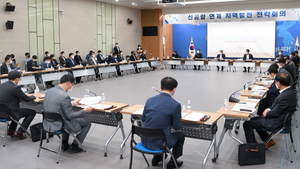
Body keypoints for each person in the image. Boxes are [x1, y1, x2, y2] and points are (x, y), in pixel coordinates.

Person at [243, 72, 297, 149]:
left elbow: (274, 113)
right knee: (254, 119)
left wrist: (266, 113)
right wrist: (268, 109)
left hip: (277, 122)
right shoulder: (288, 92)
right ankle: (268, 141)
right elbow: (277, 106)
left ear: (278, 82)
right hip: (280, 119)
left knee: (247, 124)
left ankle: (253, 148)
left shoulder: (285, 96)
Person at [43, 74, 93, 153]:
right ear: (68, 83)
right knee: (87, 122)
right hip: (61, 124)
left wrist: (72, 103)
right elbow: (70, 116)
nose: (70, 88)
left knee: (64, 117)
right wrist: (84, 111)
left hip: (48, 122)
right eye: (71, 85)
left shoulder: (49, 91)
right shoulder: (64, 96)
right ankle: (75, 146)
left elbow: (58, 104)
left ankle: (64, 143)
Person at [142, 77, 185, 168]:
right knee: (180, 135)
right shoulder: (175, 104)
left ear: (160, 87)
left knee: (157, 130)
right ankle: (173, 162)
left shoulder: (150, 100)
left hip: (145, 140)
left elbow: (143, 118)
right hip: (161, 143)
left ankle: (157, 158)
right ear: (174, 89)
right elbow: (177, 127)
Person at [0, 71, 38, 139]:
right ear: (17, 78)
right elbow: (27, 99)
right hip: (9, 113)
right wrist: (33, 96)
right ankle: (20, 132)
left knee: (18, 111)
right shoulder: (15, 87)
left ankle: (11, 130)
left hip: (1, 112)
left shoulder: (2, 84)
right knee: (32, 112)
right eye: (19, 79)